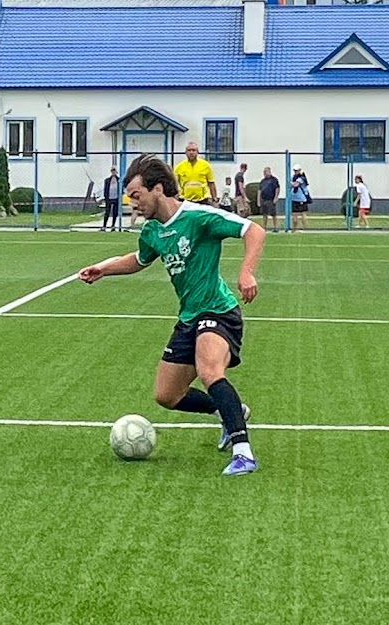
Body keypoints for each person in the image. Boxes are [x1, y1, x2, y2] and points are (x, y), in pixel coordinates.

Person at [78, 154, 266, 476]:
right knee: (167, 395)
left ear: (159, 189)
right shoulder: (152, 231)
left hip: (218, 310)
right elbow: (139, 259)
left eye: (136, 196)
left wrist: (246, 273)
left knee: (209, 370)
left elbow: (254, 230)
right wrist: (103, 269)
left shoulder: (198, 217)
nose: (133, 204)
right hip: (189, 316)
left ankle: (243, 452)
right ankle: (229, 412)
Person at [257, 167, 280, 232]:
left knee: (273, 214)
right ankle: (264, 227)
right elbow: (259, 190)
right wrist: (258, 200)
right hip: (264, 199)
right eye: (264, 172)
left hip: (271, 199)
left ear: (269, 172)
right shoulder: (263, 181)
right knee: (264, 214)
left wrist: (276, 197)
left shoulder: (274, 180)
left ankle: (276, 227)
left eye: (265, 172)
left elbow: (277, 189)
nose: (264, 173)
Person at [100, 167, 121, 232]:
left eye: (114, 171)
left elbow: (121, 188)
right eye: (112, 171)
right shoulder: (107, 180)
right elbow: (105, 189)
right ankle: (104, 226)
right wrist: (105, 198)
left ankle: (113, 226)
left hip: (116, 198)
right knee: (107, 212)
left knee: (115, 213)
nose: (113, 172)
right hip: (109, 199)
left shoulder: (119, 180)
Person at [290, 165, 310, 231]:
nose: (295, 172)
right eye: (295, 170)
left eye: (297, 170)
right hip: (294, 198)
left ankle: (305, 228)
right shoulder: (293, 177)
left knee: (303, 214)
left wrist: (290, 183)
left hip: (301, 199)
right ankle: (294, 229)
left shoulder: (301, 178)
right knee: (294, 214)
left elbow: (295, 184)